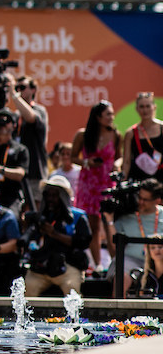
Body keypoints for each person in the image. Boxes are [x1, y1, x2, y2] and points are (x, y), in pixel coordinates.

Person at [72, 100, 122, 270]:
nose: (111, 117)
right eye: (108, 114)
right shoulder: (83, 135)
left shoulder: (116, 135)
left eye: (112, 114)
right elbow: (73, 157)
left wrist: (117, 164)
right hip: (89, 184)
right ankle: (98, 264)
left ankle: (115, 262)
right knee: (93, 225)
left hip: (107, 183)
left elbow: (119, 157)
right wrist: (87, 162)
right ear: (98, 116)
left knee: (110, 223)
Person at [23, 175, 92, 297]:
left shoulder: (78, 216)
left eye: (55, 195)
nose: (51, 199)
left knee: (72, 289)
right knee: (28, 287)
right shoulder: (42, 217)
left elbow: (83, 242)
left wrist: (54, 234)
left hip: (68, 266)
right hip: (42, 267)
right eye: (48, 195)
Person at [111, 177, 163, 294]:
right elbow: (112, 248)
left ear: (157, 200)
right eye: (139, 197)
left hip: (159, 260)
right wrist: (108, 220)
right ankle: (118, 311)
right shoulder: (126, 217)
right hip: (132, 261)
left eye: (146, 199)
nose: (141, 202)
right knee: (121, 278)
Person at [8, 74, 49, 208]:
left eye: (22, 87)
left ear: (33, 90)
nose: (19, 90)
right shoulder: (15, 116)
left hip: (34, 172)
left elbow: (30, 117)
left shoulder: (39, 110)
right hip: (17, 171)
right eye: (17, 87)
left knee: (35, 208)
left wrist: (14, 95)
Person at [123, 92, 162, 183]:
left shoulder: (161, 128)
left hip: (160, 179)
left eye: (148, 106)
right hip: (139, 181)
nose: (145, 110)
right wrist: (123, 181)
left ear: (154, 107)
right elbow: (127, 161)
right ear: (137, 109)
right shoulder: (130, 133)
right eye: (142, 107)